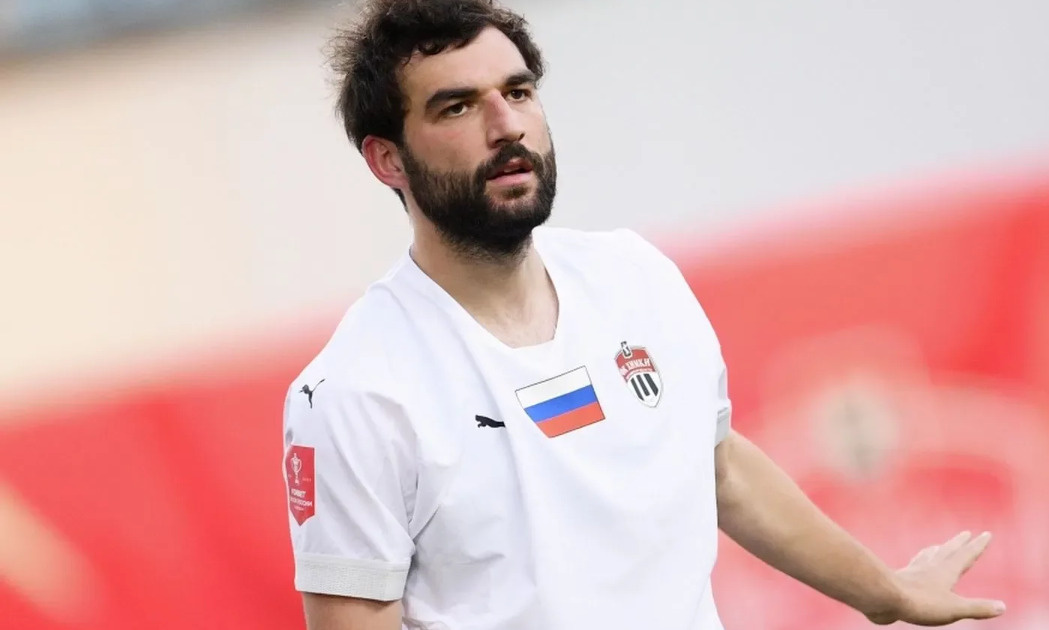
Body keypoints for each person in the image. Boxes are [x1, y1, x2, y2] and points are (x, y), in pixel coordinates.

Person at [281, 1, 1008, 628]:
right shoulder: (355, 393)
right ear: (388, 159)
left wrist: (886, 593)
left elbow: (722, 470)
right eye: (458, 106)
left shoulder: (635, 276)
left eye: (519, 91)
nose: (507, 126)